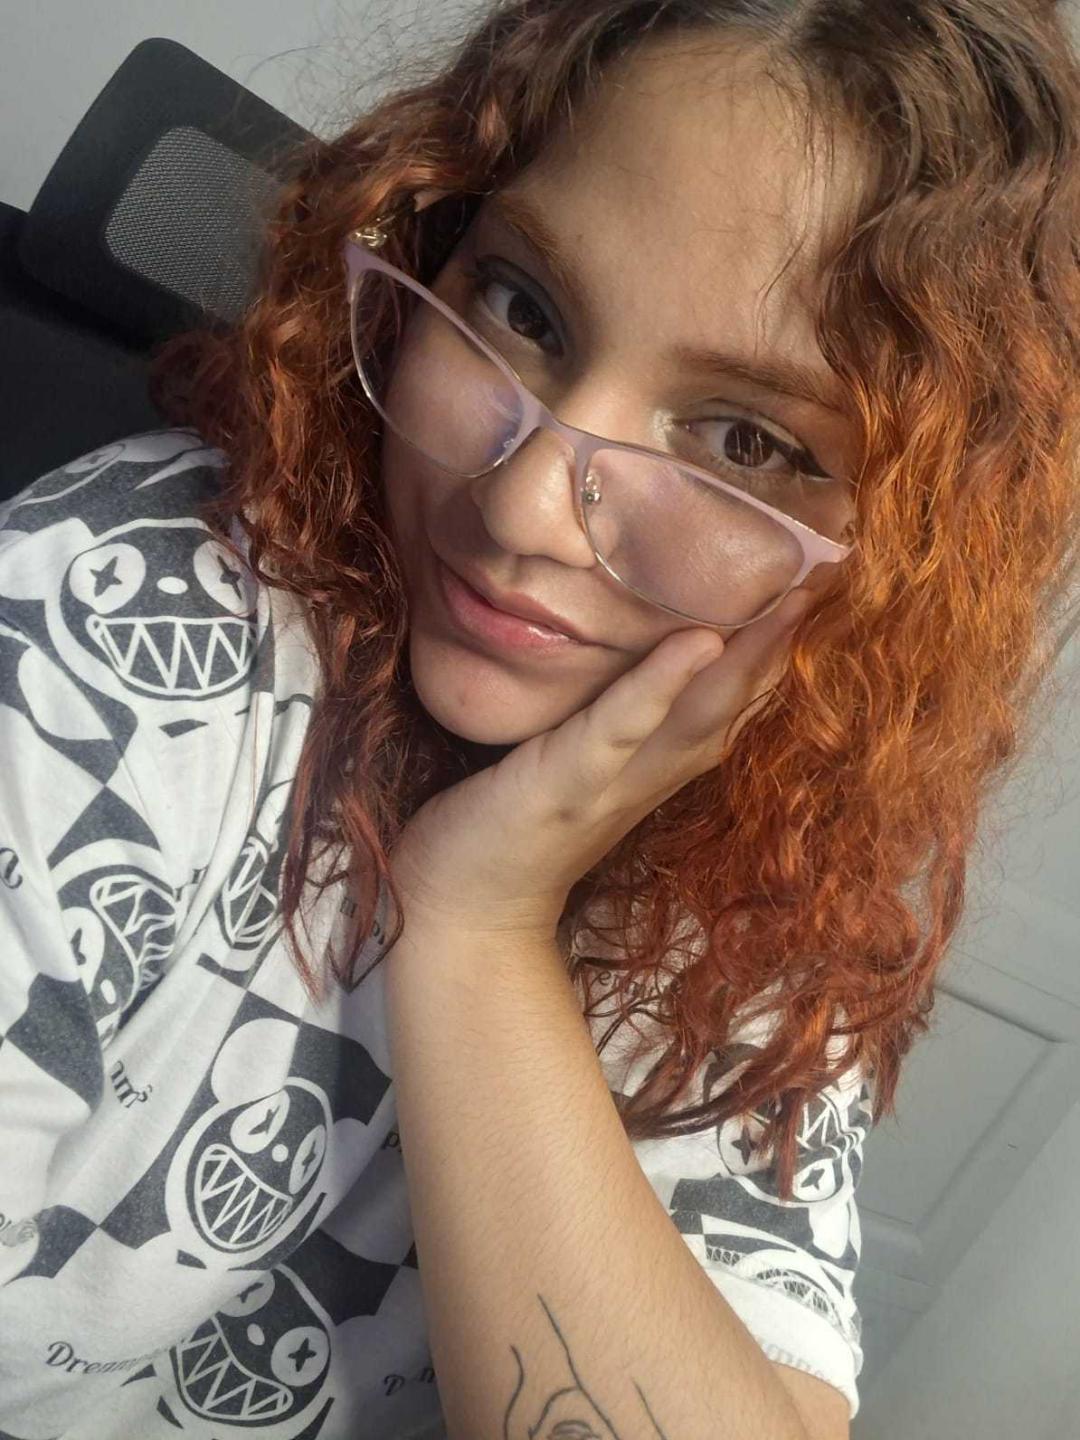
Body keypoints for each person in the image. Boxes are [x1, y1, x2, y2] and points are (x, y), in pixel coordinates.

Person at [1, 0, 1078, 1436]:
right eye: (524, 310)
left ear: (904, 562)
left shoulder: (755, 878)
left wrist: (478, 926)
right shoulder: (126, 624)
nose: (518, 511)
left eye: (743, 442)